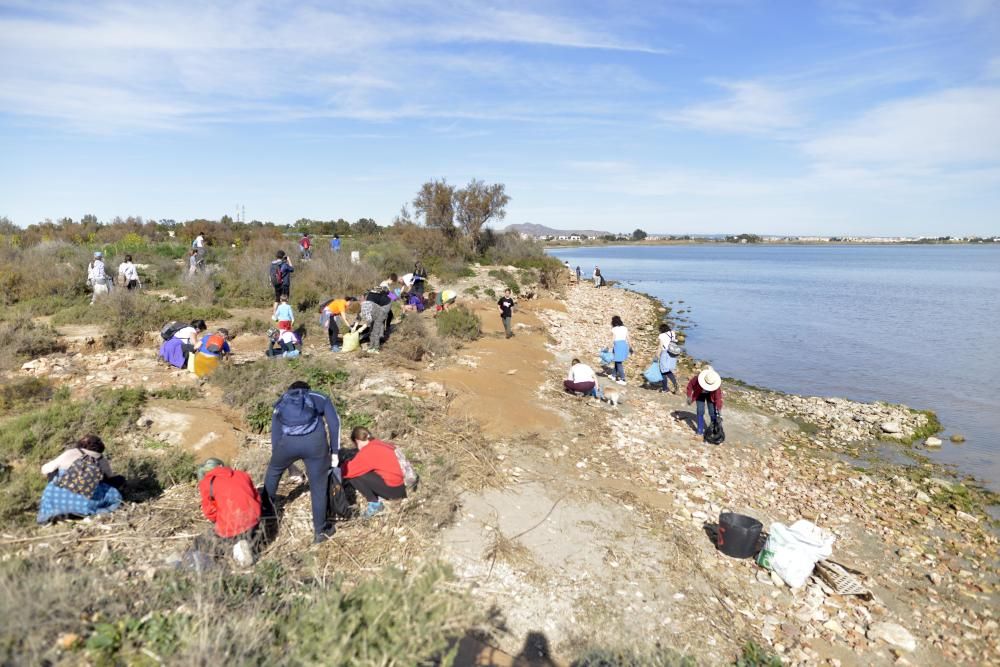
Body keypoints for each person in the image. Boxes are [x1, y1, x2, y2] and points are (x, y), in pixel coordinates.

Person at [264, 381, 341, 543]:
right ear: (307, 390)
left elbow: (276, 435)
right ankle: (320, 532)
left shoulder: (282, 402)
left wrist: (288, 464)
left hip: (287, 444)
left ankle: (265, 514)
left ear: (290, 391)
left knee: (273, 473)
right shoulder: (318, 397)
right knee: (318, 487)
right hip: (316, 443)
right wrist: (335, 451)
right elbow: (334, 424)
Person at [37, 435, 124, 523]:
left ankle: (51, 513)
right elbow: (110, 478)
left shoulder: (70, 453)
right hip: (86, 502)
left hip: (57, 499)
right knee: (116, 487)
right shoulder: (101, 460)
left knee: (54, 476)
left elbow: (45, 469)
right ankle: (90, 510)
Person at [195, 458, 261, 566]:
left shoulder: (206, 483)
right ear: (221, 466)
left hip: (231, 528)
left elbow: (209, 512)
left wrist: (218, 520)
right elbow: (256, 497)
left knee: (200, 542)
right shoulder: (242, 474)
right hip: (254, 521)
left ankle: (235, 550)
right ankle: (245, 543)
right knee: (245, 531)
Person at [340, 426, 406, 519]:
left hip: (394, 491)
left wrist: (342, 465)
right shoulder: (378, 443)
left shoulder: (367, 451)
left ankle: (374, 504)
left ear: (357, 441)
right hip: (401, 486)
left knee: (354, 476)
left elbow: (348, 471)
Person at [685, 366, 723, 436]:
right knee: (700, 410)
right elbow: (690, 385)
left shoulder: (716, 384)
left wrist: (719, 410)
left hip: (711, 396)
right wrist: (689, 396)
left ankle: (714, 429)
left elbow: (718, 398)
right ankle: (700, 429)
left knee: (712, 412)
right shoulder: (697, 379)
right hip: (699, 394)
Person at [363, 286, 393, 353]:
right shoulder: (371, 297)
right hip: (381, 309)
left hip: (384, 308)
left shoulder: (370, 298)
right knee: (374, 328)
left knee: (375, 329)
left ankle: (375, 347)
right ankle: (373, 346)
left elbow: (369, 312)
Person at [608, 315, 632, 385]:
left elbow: (613, 339)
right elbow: (628, 338)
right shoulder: (625, 328)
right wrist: (630, 347)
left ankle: (623, 379)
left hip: (617, 345)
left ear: (613, 322)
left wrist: (608, 347)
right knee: (617, 360)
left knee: (618, 363)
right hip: (624, 345)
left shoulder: (614, 329)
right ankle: (613, 375)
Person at [657, 323, 679, 394]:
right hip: (672, 353)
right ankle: (675, 384)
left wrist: (657, 355)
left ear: (661, 330)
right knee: (668, 370)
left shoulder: (661, 335)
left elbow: (660, 346)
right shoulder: (672, 333)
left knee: (663, 371)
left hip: (665, 353)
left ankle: (665, 389)